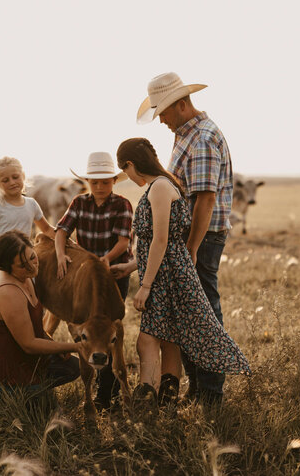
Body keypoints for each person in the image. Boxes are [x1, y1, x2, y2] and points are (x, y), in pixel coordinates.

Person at [119, 72, 235, 405]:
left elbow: (205, 199)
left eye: (164, 114)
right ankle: (196, 387)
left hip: (201, 237)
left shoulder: (201, 138)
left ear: (181, 105)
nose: (163, 121)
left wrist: (191, 248)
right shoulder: (188, 134)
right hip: (186, 239)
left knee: (203, 313)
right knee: (187, 313)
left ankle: (210, 393)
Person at [115, 138, 250, 412]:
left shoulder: (161, 188)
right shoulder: (162, 185)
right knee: (169, 338)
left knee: (147, 340)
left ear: (130, 164)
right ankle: (166, 405)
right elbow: (159, 241)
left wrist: (145, 286)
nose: (127, 177)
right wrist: (131, 267)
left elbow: (161, 240)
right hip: (166, 270)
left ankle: (146, 406)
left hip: (166, 275)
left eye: (124, 170)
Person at [0, 157, 56, 378]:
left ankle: (17, 377)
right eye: (5, 180)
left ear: (24, 177)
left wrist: (68, 242)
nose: (12, 182)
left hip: (22, 273)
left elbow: (48, 230)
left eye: (15, 177)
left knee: (24, 326)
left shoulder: (31, 204)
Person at [54, 151, 133, 411]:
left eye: (105, 182)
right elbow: (62, 230)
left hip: (113, 272)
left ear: (114, 181)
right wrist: (61, 254)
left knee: (109, 329)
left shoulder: (122, 204)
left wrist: (105, 260)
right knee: (90, 326)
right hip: (87, 276)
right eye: (95, 182)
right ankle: (97, 386)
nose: (100, 187)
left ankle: (106, 392)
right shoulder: (79, 202)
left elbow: (123, 241)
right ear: (88, 181)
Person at [0, 230, 81, 403]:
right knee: (42, 405)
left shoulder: (24, 276)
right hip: (3, 366)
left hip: (17, 355)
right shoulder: (8, 292)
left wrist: (56, 346)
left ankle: (27, 390)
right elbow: (28, 344)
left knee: (72, 367)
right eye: (22, 265)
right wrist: (76, 347)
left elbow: (33, 328)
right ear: (7, 267)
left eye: (32, 257)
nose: (32, 266)